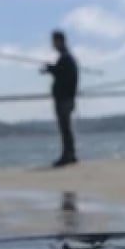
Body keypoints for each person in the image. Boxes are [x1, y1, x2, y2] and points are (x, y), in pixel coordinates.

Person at [42, 30, 79, 166]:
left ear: (60, 41)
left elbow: (62, 74)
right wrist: (51, 68)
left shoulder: (66, 58)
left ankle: (67, 155)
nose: (53, 45)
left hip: (64, 99)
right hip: (67, 98)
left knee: (65, 128)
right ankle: (71, 154)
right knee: (66, 127)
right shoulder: (66, 58)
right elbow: (61, 72)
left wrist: (50, 69)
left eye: (54, 42)